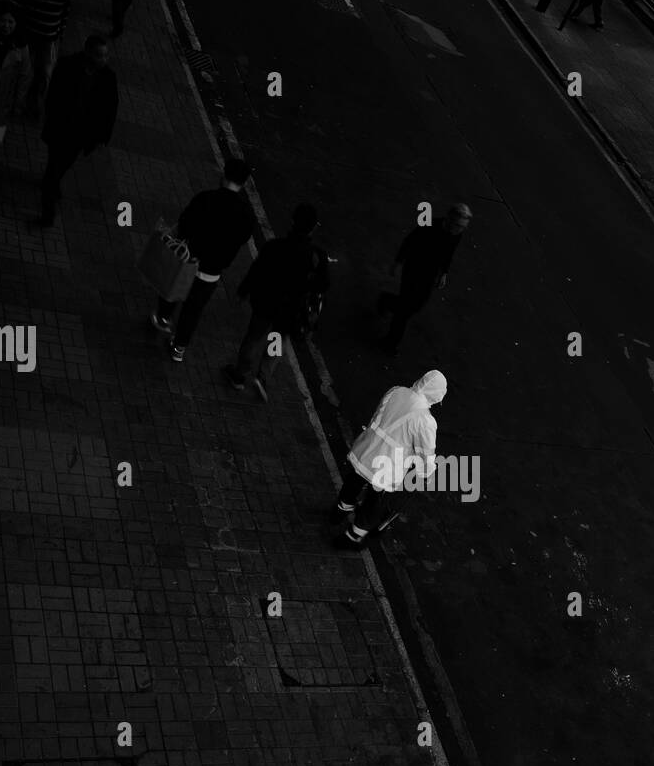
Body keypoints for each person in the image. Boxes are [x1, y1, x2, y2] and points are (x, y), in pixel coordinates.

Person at [152, 157, 255, 361]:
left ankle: (163, 318)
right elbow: (242, 239)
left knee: (173, 291)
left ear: (223, 174)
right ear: (244, 184)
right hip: (212, 271)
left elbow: (185, 224)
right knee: (193, 309)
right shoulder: (246, 215)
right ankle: (178, 347)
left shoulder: (206, 198)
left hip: (188, 260)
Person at [224, 203, 329, 401]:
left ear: (292, 221)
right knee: (276, 339)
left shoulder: (275, 247)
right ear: (314, 227)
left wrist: (243, 291)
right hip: (290, 312)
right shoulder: (317, 257)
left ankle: (239, 374)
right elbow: (323, 286)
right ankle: (262, 376)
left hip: (265, 304)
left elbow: (256, 271)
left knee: (253, 338)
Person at [335, 370, 448, 548]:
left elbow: (378, 416)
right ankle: (353, 536)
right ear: (437, 396)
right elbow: (425, 453)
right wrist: (426, 473)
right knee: (375, 501)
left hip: (366, 449)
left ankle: (341, 509)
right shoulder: (426, 421)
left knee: (354, 481)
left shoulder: (396, 391)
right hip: (386, 466)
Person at [37, 34, 118, 227]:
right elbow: (53, 97)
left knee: (63, 163)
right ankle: (48, 211)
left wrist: (102, 137)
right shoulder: (67, 66)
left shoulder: (108, 77)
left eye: (106, 55)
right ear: (88, 52)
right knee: (54, 166)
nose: (103, 60)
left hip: (80, 135)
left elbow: (110, 109)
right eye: (99, 55)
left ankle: (53, 183)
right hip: (60, 128)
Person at [377, 203, 472, 354]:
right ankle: (390, 342)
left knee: (415, 305)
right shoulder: (429, 226)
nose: (460, 230)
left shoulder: (456, 234)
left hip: (430, 273)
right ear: (449, 219)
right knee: (405, 310)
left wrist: (444, 272)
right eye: (458, 225)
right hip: (413, 269)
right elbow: (409, 241)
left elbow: (449, 252)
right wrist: (398, 262)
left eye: (463, 227)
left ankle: (386, 301)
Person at [12, 0, 74, 119]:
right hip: (29, 35)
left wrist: (59, 34)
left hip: (50, 38)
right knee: (25, 72)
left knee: (44, 75)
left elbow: (65, 12)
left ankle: (35, 106)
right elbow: (17, 3)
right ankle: (18, 105)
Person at [0, 1, 31, 147]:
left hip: (4, 97)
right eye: (2, 20)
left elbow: (25, 76)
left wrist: (18, 103)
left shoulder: (21, 47)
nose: (6, 25)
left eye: (11, 21)